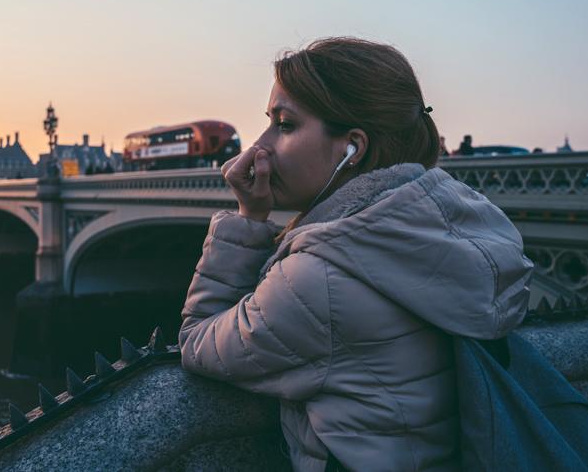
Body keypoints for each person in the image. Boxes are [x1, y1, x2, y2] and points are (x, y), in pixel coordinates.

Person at [178, 37, 533, 471]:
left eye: (285, 125)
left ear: (352, 149)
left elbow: (196, 342)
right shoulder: (471, 224)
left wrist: (249, 216)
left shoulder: (316, 280)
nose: (260, 146)